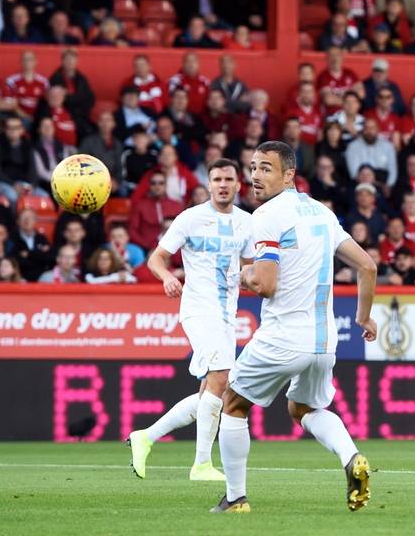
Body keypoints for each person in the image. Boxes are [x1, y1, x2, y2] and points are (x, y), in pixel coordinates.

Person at [211, 141, 377, 514]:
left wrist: (243, 275)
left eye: (266, 168)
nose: (255, 176)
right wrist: (364, 317)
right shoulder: (322, 213)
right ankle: (352, 458)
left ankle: (235, 498)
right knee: (302, 408)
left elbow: (265, 284)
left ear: (289, 174)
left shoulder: (267, 216)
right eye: (252, 167)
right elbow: (368, 267)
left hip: (282, 337)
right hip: (324, 341)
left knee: (233, 405)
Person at [128, 158, 254, 482]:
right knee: (221, 377)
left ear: (238, 184)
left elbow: (253, 267)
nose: (223, 184)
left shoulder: (247, 223)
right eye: (217, 179)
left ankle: (146, 436)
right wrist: (167, 277)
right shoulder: (191, 218)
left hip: (228, 314)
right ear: (209, 184)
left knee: (211, 390)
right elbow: (156, 258)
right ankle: (201, 465)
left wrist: (250, 277)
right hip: (198, 309)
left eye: (228, 179)